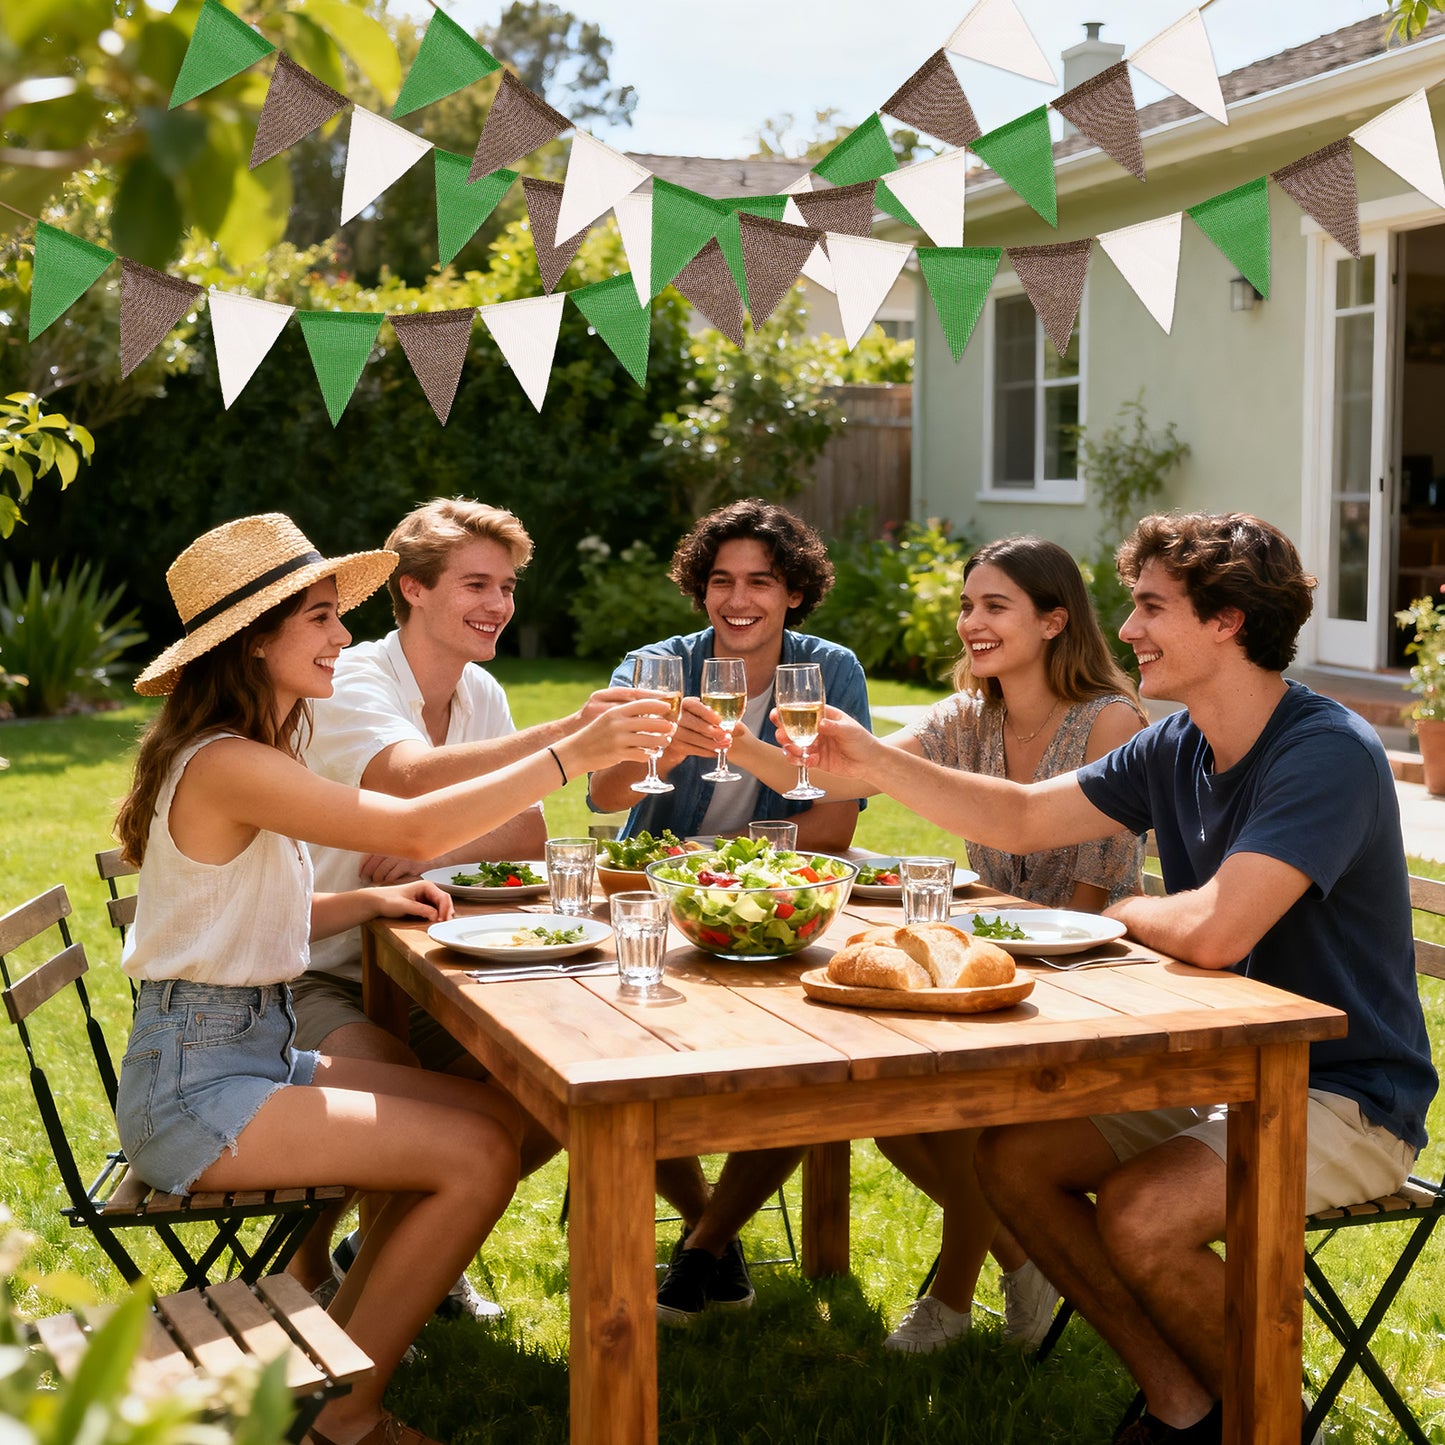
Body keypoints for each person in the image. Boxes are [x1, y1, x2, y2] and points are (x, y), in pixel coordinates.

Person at [770, 512, 1437, 1444]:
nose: (1125, 630)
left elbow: (1213, 930)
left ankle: (1277, 1422)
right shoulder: (1179, 742)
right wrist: (873, 760)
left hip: (1346, 1091)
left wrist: (1121, 913)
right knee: (1014, 1157)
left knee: (1140, 1213)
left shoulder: (1321, 751)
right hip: (1224, 1071)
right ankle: (1181, 1403)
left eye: (1150, 608)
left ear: (1227, 621)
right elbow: (1019, 819)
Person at [113, 513, 668, 1445]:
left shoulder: (243, 748)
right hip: (196, 1090)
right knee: (477, 1152)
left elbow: (238, 921)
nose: (342, 636)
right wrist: (571, 755)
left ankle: (328, 1356)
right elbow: (406, 824)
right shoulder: (229, 761)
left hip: (236, 1050)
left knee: (492, 1116)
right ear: (255, 640)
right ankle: (347, 1417)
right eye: (322, 618)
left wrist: (366, 906)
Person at [291, 497, 645, 1313]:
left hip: (432, 960)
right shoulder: (351, 677)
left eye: (508, 587)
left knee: (555, 1089)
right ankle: (306, 1278)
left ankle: (389, 1256)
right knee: (390, 1083)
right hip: (314, 965)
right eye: (475, 584)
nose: (497, 605)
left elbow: (523, 833)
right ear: (411, 589)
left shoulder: (478, 690)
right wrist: (570, 738)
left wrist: (437, 849)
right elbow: (407, 777)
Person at [588, 497, 871, 1325]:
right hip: (656, 901)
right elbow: (607, 794)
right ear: (699, 589)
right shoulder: (656, 664)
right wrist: (656, 747)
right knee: (629, 1068)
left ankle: (705, 1242)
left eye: (760, 581)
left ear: (792, 592)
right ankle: (713, 1226)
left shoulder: (826, 672)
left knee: (812, 1063)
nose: (737, 599)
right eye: (720, 581)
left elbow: (832, 819)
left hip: (780, 902)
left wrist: (730, 859)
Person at [867, 536, 1147, 1354]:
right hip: (989, 969)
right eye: (966, 605)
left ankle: (948, 1305)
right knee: (891, 1115)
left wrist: (1001, 967)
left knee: (965, 1120)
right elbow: (862, 769)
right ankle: (1023, 1254)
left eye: (994, 606)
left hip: (1084, 980)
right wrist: (741, 741)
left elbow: (1097, 894)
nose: (971, 622)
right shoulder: (968, 716)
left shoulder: (1111, 721)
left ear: (1054, 620)